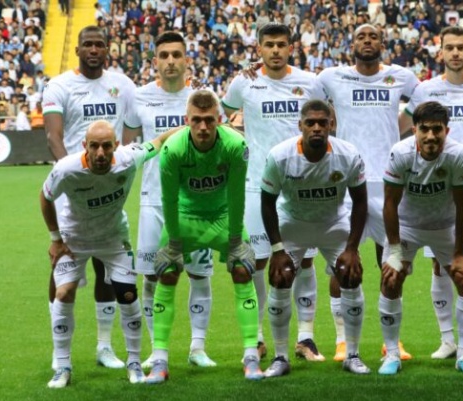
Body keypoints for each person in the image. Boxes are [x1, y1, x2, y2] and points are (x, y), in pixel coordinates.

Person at [40, 120, 176, 388]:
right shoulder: (66, 169)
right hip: (74, 238)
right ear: (85, 146)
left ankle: (134, 363)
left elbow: (160, 141)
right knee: (63, 293)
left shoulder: (129, 158)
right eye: (94, 146)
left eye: (106, 146)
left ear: (116, 145)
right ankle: (63, 365)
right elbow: (45, 197)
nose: (100, 153)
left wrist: (191, 124)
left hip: (113, 239)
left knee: (127, 295)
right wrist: (55, 239)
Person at [221, 23, 326, 362]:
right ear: (259, 48)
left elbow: (323, 122)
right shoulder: (244, 82)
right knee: (256, 261)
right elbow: (225, 115)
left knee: (304, 259)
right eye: (269, 45)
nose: (276, 50)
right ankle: (256, 337)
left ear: (291, 48)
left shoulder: (310, 82)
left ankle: (306, 338)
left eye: (282, 44)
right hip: (256, 184)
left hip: (300, 186)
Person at [399, 26, 463, 361]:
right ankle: (447, 340)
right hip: (439, 193)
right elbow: (402, 128)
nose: (455, 53)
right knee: (441, 266)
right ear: (440, 52)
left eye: (461, 47)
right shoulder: (425, 90)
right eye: (450, 47)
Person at [317, 24, 419, 360]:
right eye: (361, 36)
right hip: (347, 182)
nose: (367, 40)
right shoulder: (332, 77)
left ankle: (393, 341)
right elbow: (303, 96)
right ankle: (342, 340)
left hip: (388, 182)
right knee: (342, 264)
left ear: (382, 43)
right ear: (352, 44)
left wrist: (399, 129)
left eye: (373, 36)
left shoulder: (400, 76)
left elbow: (426, 100)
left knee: (391, 263)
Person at [145, 90, 261, 384]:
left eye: (209, 120)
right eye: (196, 120)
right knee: (166, 272)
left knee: (243, 269)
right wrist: (173, 243)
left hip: (224, 216)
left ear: (219, 120)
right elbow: (169, 199)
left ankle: (251, 356)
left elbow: (237, 195)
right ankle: (159, 359)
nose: (203, 127)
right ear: (187, 121)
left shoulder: (235, 145)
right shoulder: (173, 149)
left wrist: (235, 241)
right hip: (186, 216)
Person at [42, 25, 137, 371]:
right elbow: (53, 137)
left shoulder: (123, 85)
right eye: (88, 45)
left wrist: (116, 170)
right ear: (78, 50)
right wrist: (73, 175)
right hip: (73, 185)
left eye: (99, 44)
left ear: (107, 49)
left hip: (107, 185)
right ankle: (59, 344)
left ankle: (104, 346)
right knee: (61, 268)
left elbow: (131, 133)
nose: (94, 50)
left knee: (105, 266)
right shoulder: (59, 86)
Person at [122, 31, 217, 369]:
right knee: (151, 277)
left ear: (187, 60)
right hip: (154, 201)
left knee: (199, 274)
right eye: (164, 55)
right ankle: (157, 348)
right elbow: (130, 148)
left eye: (177, 54)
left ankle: (198, 348)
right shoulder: (139, 98)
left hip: (196, 201)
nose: (171, 61)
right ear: (155, 62)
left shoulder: (203, 97)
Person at [260, 99, 370, 377]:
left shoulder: (348, 155)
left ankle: (352, 354)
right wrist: (278, 250)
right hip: (293, 223)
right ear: (301, 125)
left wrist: (352, 248)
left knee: (350, 276)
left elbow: (360, 202)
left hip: (333, 223)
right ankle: (281, 357)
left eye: (323, 122)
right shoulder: (280, 156)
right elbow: (267, 203)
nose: (317, 128)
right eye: (311, 123)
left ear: (332, 125)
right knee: (280, 278)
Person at [378, 101, 463, 375]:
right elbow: (389, 203)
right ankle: (392, 354)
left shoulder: (459, 155)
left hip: (445, 226)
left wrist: (460, 253)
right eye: (424, 129)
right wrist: (395, 252)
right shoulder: (400, 153)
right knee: (390, 279)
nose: (431, 136)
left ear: (447, 130)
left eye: (437, 129)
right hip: (407, 225)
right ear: (415, 130)